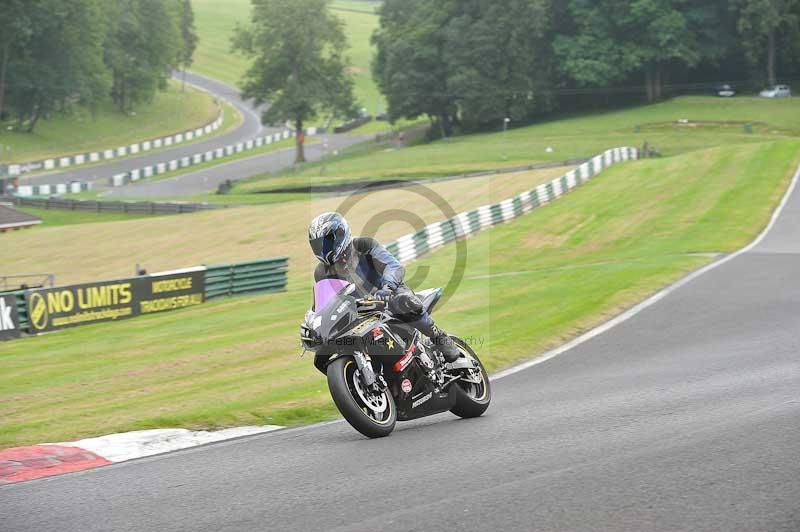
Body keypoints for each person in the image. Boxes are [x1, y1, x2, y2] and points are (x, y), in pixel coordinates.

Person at [308, 212, 461, 363]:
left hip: (389, 294)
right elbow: (324, 303)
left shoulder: (364, 245)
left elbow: (393, 266)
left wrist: (387, 288)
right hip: (359, 310)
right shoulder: (321, 272)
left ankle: (440, 338)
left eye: (327, 242)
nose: (323, 248)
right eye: (318, 244)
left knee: (404, 301)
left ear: (341, 234)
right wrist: (314, 324)